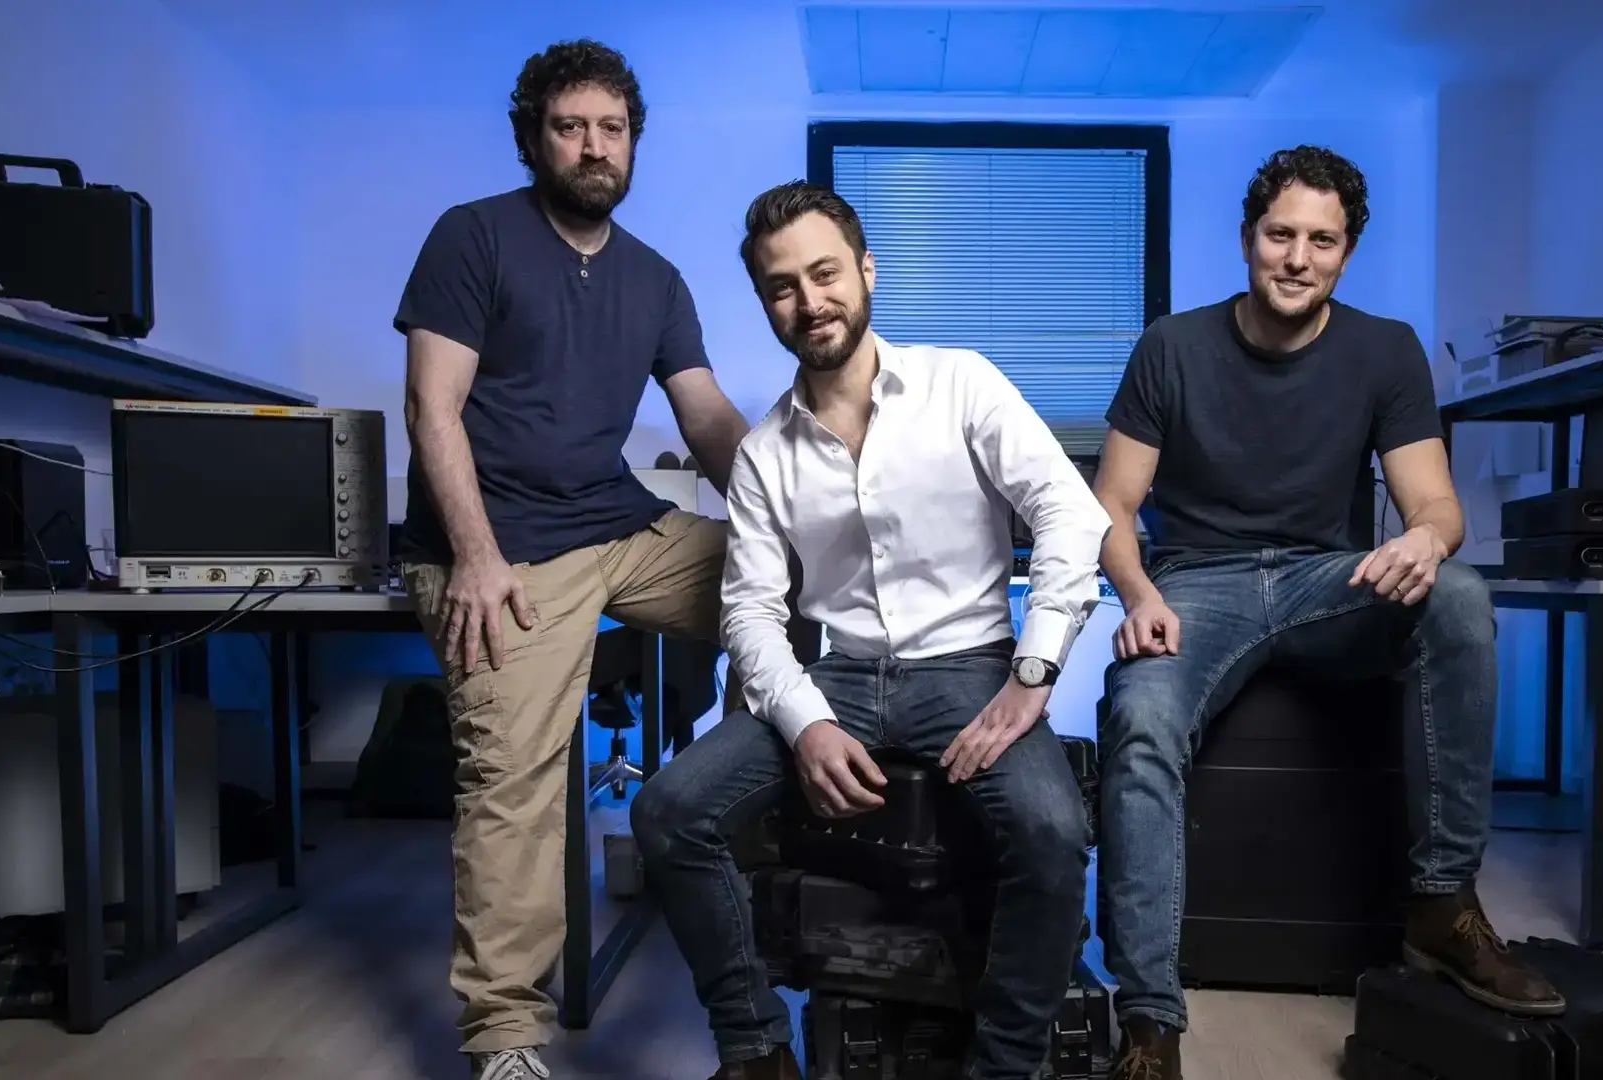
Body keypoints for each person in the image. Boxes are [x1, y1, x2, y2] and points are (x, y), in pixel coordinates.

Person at [1091, 145, 1564, 1079]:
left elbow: (1438, 507)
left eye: (1322, 240)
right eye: (1281, 235)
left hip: (1328, 581)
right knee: (1139, 715)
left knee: (1458, 595)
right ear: (1246, 239)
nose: (1298, 258)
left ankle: (1441, 904)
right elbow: (1110, 504)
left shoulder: (1385, 349)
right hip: (1197, 583)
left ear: (1347, 252)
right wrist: (1139, 595)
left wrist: (1425, 541)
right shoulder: (1171, 347)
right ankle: (1149, 1018)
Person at [632, 181, 1107, 1080]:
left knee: (1053, 831)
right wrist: (806, 723)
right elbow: (750, 611)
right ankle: (756, 1049)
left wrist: (1034, 669)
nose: (809, 302)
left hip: (969, 666)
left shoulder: (960, 382)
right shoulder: (764, 453)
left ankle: (1005, 1067)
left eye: (825, 274)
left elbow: (1068, 512)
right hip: (841, 679)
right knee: (667, 812)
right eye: (782, 287)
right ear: (765, 303)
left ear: (866, 271)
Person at [395, 39, 752, 1080]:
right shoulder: (473, 237)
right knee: (513, 781)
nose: (595, 147)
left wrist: (795, 521)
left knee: (798, 587)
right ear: (532, 139)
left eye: (612, 128)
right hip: (505, 551)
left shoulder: (656, 278)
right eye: (571, 127)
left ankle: (733, 815)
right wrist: (474, 555)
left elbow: (709, 419)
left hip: (617, 526)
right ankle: (506, 1033)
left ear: (633, 142)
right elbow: (431, 407)